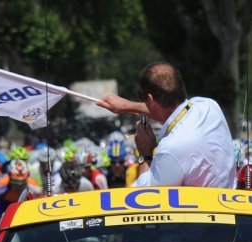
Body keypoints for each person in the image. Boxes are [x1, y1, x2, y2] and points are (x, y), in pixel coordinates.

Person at [97, 62, 234, 188]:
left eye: (141, 96)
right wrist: (126, 106)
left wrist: (145, 154)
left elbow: (146, 196)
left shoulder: (171, 149)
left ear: (150, 99)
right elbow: (170, 112)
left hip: (203, 214)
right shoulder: (208, 105)